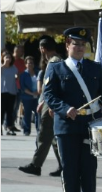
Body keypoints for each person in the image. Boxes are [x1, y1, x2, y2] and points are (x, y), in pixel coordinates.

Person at [42, 27, 102, 192]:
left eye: (82, 44)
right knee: (70, 169)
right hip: (67, 126)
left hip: (90, 125)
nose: (79, 48)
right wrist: (64, 108)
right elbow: (49, 95)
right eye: (75, 44)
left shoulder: (94, 68)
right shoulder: (56, 68)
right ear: (67, 45)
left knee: (89, 169)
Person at [19, 36, 63, 176]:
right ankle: (64, 165)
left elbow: (54, 86)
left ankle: (36, 165)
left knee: (44, 135)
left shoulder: (54, 62)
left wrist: (46, 102)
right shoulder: (55, 61)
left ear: (43, 48)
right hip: (51, 103)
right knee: (54, 138)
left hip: (51, 105)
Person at [19, 56, 39, 136]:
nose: (30, 64)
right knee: (27, 114)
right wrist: (31, 93)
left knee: (38, 113)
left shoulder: (38, 72)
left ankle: (39, 130)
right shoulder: (23, 74)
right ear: (25, 64)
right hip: (27, 97)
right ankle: (27, 130)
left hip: (37, 96)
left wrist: (38, 92)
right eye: (28, 63)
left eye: (31, 63)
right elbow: (23, 87)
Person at [1, 51, 18, 135]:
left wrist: (16, 77)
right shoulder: (1, 67)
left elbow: (16, 75)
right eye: (6, 57)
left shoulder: (13, 67)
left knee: (10, 111)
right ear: (3, 58)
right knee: (1, 110)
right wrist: (4, 64)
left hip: (12, 92)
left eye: (10, 58)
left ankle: (9, 127)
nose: (8, 59)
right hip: (2, 92)